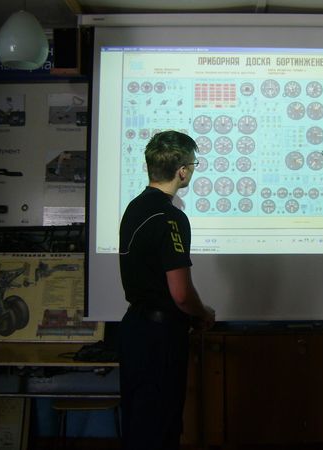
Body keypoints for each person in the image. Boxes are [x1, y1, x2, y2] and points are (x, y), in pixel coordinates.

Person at [118, 130, 215, 450]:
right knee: (161, 427)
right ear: (182, 171)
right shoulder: (170, 218)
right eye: (193, 165)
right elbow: (181, 294)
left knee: (139, 425)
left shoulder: (134, 207)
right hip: (160, 337)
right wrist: (203, 313)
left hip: (135, 329)